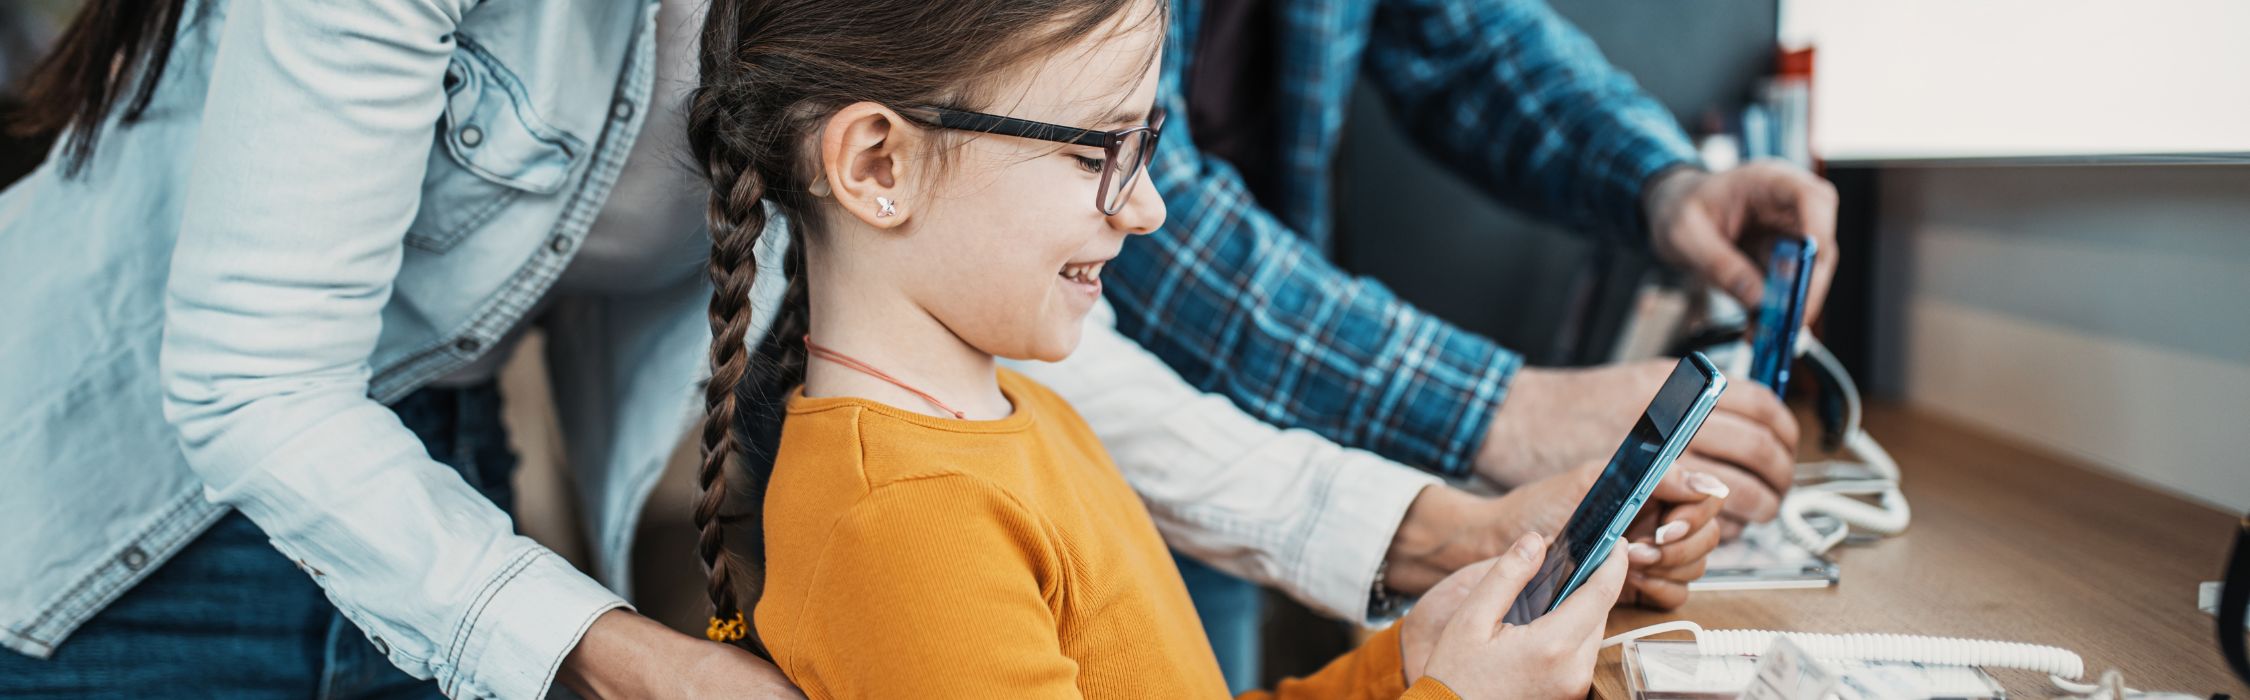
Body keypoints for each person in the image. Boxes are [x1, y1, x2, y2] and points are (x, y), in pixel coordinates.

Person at [0, 0, 1717, 697]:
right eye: (1117, 160)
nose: (1153, 211)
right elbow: (253, 379)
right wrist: (619, 650)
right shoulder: (893, 512)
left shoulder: (978, 424)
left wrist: (1426, 606)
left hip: (425, 446)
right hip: (119, 519)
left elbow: (978, 300)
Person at [684, 0, 1698, 696]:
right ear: (876, 165)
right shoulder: (903, 532)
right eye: (1099, 150)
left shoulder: (1023, 417)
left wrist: (1408, 665)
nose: (1153, 208)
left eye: (1148, 146)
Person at [1107, 0, 1838, 681]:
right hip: (1101, 420)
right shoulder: (1115, 194)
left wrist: (1666, 184)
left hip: (1239, 442)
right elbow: (1135, 205)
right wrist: (1504, 414)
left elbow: (1467, 44)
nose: (1133, 200)